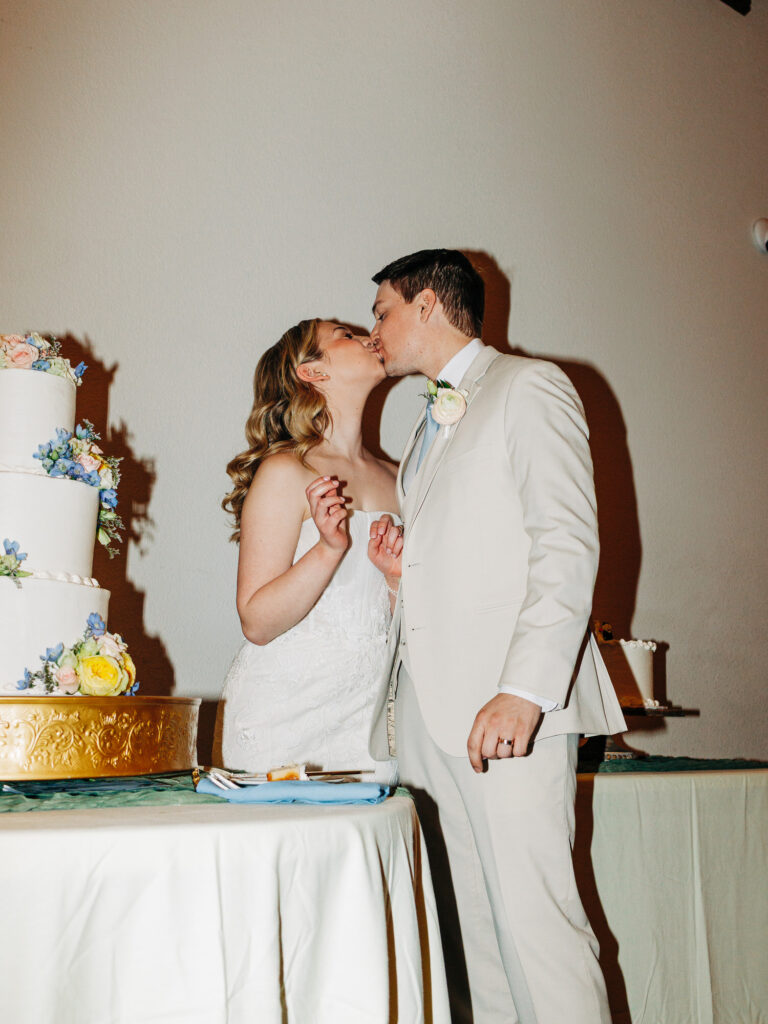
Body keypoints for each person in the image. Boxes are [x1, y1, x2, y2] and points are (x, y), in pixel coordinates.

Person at [365, 250, 626, 1024]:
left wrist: (526, 690)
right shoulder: (426, 427)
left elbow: (566, 541)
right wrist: (400, 577)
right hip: (433, 720)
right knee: (472, 935)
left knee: (539, 931)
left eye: (383, 311)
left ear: (429, 308)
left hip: (511, 711)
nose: (374, 330)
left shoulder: (530, 387)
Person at [218, 318, 402, 782]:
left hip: (372, 716)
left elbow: (400, 620)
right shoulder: (286, 471)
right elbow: (257, 622)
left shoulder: (401, 479)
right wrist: (329, 547)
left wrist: (397, 582)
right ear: (311, 372)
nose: (367, 337)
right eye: (345, 334)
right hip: (286, 714)